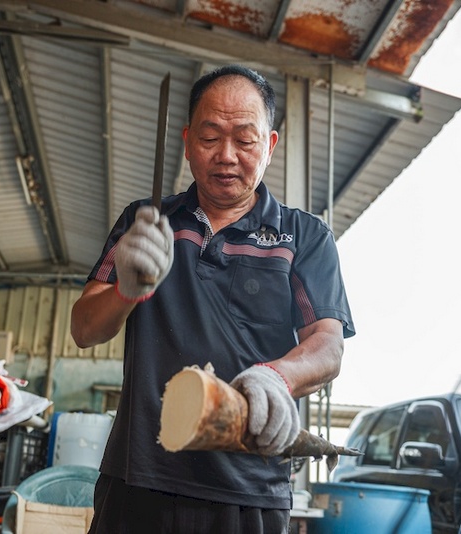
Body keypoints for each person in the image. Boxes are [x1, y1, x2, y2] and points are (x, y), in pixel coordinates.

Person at [70, 65, 355, 534]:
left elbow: (327, 346)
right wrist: (126, 288)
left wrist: (275, 378)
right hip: (138, 478)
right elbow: (85, 329)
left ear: (270, 145)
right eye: (210, 137)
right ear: (186, 142)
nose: (226, 155)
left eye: (244, 139)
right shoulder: (145, 222)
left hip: (249, 489)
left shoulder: (304, 236)